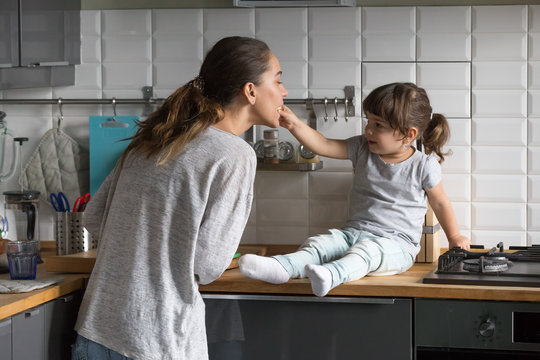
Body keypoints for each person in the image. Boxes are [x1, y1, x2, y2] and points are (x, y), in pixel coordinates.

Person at [72, 36, 288, 360]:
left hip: (95, 330)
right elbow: (207, 264)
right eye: (278, 79)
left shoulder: (156, 137)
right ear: (250, 90)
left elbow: (92, 217)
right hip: (157, 339)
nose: (284, 91)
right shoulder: (235, 155)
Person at [239, 82, 471, 297]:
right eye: (368, 121)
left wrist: (455, 236)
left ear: (408, 134)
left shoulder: (423, 165)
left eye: (378, 125)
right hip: (352, 233)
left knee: (367, 252)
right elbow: (325, 145)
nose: (368, 130)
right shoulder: (362, 148)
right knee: (321, 243)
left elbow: (440, 203)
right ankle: (283, 267)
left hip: (397, 245)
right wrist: (294, 124)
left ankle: (332, 274)